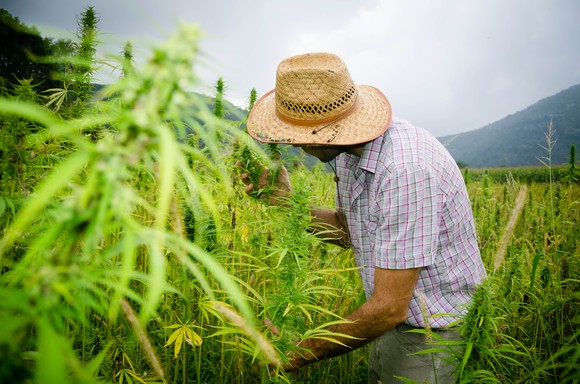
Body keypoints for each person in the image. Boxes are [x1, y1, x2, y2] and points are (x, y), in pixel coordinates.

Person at [241, 52, 487, 383]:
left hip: (433, 337)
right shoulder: (348, 154)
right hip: (386, 325)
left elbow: (389, 306)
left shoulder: (404, 170)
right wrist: (287, 202)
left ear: (328, 131)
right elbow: (348, 231)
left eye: (298, 134)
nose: (296, 144)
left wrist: (297, 352)